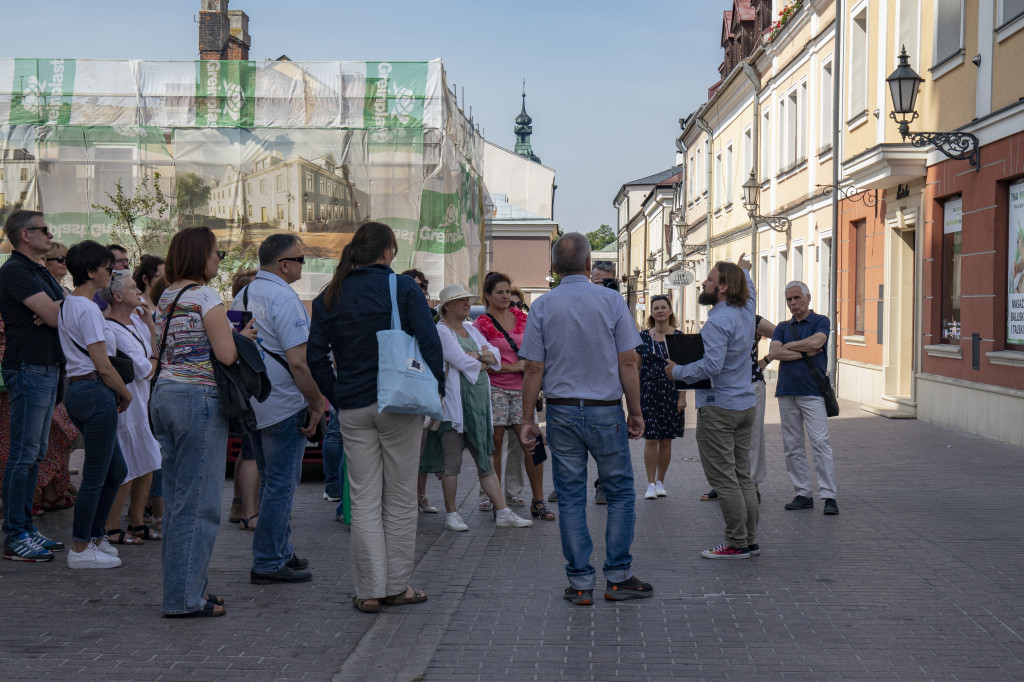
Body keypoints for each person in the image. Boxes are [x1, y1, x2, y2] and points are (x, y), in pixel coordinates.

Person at [307, 222, 442, 614]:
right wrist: (438, 390)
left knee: (363, 497)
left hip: (352, 404)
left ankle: (367, 589)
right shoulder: (402, 288)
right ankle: (397, 586)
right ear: (387, 252)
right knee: (400, 498)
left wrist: (337, 394)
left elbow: (315, 357)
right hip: (399, 402)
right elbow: (430, 342)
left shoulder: (328, 294)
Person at [518, 232, 653, 605]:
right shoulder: (610, 300)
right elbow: (628, 361)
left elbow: (533, 368)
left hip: (561, 411)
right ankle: (618, 576)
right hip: (604, 410)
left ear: (553, 268)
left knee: (572, 496)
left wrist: (528, 418)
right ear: (590, 265)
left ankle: (580, 583)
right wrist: (636, 411)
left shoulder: (543, 306)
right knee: (621, 492)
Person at [151, 226, 256, 617]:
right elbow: (227, 355)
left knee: (181, 500)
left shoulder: (167, 295)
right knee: (200, 504)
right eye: (217, 253)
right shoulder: (205, 295)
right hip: (198, 397)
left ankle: (188, 587)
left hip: (165, 395)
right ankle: (183, 598)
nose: (219, 260)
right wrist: (243, 335)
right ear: (201, 256)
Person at [231, 234, 322, 584]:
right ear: (284, 264)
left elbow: (237, 348)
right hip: (283, 403)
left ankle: (281, 550)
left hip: (252, 401)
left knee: (272, 481)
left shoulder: (244, 293)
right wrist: (316, 403)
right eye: (301, 259)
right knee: (281, 484)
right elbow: (299, 363)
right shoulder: (285, 298)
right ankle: (269, 560)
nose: (303, 265)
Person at [665, 255, 758, 559]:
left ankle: (736, 542)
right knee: (742, 475)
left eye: (709, 279)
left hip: (720, 408)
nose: (703, 283)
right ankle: (749, 539)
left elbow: (712, 365)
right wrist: (743, 267)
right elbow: (750, 286)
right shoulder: (746, 308)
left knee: (724, 479)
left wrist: (676, 372)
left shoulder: (718, 320)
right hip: (745, 404)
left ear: (723, 287)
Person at [424, 284, 533, 533]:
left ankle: (503, 511)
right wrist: (482, 359)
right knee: (452, 463)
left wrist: (481, 358)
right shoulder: (441, 331)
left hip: (478, 405)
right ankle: (452, 513)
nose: (466, 303)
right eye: (460, 300)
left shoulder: (471, 330)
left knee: (485, 461)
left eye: (467, 299)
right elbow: (461, 361)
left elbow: (494, 356)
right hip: (455, 408)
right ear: (447, 307)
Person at [59, 241, 134, 568]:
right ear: (91, 272)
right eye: (107, 267)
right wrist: (126, 393)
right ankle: (79, 547)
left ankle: (94, 536)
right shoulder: (87, 308)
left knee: (115, 469)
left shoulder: (70, 304)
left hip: (80, 391)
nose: (111, 272)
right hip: (92, 389)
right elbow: (102, 364)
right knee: (95, 474)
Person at [0, 210, 67, 562]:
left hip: (46, 366)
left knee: (35, 454)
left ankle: (25, 527)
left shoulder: (39, 269)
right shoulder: (15, 271)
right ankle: (14, 534)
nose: (49, 234)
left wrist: (58, 306)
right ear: (25, 235)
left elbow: (67, 306)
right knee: (23, 455)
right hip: (29, 367)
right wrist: (58, 308)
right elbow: (60, 316)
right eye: (43, 229)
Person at [474, 272, 553, 520]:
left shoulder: (522, 318)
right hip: (495, 387)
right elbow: (480, 361)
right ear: (487, 295)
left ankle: (538, 500)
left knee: (531, 442)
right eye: (499, 292)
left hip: (522, 389)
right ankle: (499, 503)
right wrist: (513, 367)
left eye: (508, 291)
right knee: (495, 445)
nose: (506, 296)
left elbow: (536, 349)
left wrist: (530, 369)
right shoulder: (481, 325)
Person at [100, 270, 162, 545]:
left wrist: (150, 326)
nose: (139, 292)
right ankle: (112, 526)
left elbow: (154, 354)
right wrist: (156, 360)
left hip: (140, 403)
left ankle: (137, 521)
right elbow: (144, 369)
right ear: (117, 296)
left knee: (148, 460)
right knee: (127, 467)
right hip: (126, 405)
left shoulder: (137, 321)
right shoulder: (111, 328)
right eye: (133, 288)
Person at [767, 281, 839, 516]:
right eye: (789, 299)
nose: (793, 303)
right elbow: (775, 352)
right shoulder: (781, 326)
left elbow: (817, 342)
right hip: (786, 391)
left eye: (797, 298)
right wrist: (804, 351)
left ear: (808, 297)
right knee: (792, 446)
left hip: (813, 392)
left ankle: (828, 495)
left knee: (820, 443)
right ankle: (802, 493)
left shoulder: (821, 321)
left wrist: (789, 346)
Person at [700, 314, 776, 503]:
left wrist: (766, 359)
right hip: (721, 385)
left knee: (752, 437)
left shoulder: (752, 319)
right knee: (723, 438)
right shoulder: (715, 319)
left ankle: (753, 486)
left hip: (750, 384)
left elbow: (780, 333)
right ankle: (725, 484)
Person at [636, 294, 686, 500]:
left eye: (663, 307)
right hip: (648, 391)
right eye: (656, 307)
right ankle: (649, 483)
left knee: (666, 440)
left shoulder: (679, 337)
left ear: (670, 310)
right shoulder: (642, 338)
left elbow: (685, 370)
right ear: (652, 312)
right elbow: (636, 370)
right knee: (651, 439)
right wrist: (633, 400)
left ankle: (660, 482)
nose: (660, 310)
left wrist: (682, 397)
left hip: (671, 391)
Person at [133, 254, 166, 533]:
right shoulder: (140, 308)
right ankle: (153, 513)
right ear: (145, 279)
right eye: (160, 277)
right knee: (152, 451)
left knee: (157, 452)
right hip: (146, 384)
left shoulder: (166, 304)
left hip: (162, 381)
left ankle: (153, 511)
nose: (166, 282)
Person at [401, 269, 438, 515]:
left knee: (422, 444)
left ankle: (420, 495)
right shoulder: (396, 313)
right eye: (415, 285)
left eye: (422, 285)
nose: (420, 289)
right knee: (404, 448)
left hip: (424, 381)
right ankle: (404, 500)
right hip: (403, 383)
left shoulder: (431, 314)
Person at [228, 268, 260, 531]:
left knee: (246, 449)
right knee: (252, 451)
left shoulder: (236, 311)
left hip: (246, 386)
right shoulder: (239, 315)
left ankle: (240, 504)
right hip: (248, 387)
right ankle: (250, 510)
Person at [132, 254, 165, 319]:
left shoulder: (167, 300)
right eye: (158, 276)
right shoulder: (138, 305)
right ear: (145, 279)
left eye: (166, 276)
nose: (164, 280)